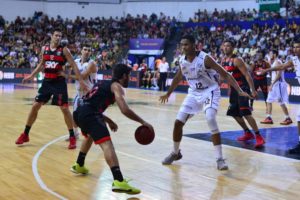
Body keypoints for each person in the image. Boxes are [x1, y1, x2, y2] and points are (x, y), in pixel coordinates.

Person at [159, 35, 251, 170]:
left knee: (210, 118)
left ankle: (220, 159)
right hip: (194, 93)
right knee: (178, 122)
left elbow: (225, 74)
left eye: (186, 45)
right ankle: (175, 152)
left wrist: (238, 89)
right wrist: (168, 93)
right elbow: (178, 77)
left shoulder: (205, 59)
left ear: (194, 45)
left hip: (210, 91)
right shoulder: (182, 60)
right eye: (182, 45)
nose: (183, 47)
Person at [71, 64, 154, 194]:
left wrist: (109, 121)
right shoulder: (117, 87)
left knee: (92, 134)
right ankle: (118, 180)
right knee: (107, 145)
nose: (129, 79)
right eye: (129, 76)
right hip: (89, 113)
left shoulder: (102, 83)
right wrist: (143, 122)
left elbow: (91, 104)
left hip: (79, 112)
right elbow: (124, 110)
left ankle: (79, 164)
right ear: (124, 76)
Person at [15, 28, 86, 149]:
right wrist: (31, 76)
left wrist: (80, 80)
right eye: (56, 35)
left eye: (60, 36)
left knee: (64, 109)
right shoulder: (45, 49)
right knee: (35, 106)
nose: (58, 37)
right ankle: (25, 134)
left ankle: (72, 136)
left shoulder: (64, 50)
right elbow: (41, 64)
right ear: (51, 36)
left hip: (59, 83)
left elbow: (73, 65)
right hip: (47, 82)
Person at [259, 35, 300, 154]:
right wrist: (266, 71)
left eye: (298, 47)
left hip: (279, 85)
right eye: (294, 47)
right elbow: (282, 67)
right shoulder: (294, 60)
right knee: (298, 118)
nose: (295, 49)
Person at [221, 39, 265, 148]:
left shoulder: (237, 60)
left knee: (245, 113)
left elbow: (247, 75)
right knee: (233, 113)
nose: (225, 47)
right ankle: (247, 132)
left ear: (232, 48)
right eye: (224, 46)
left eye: (228, 46)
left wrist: (253, 90)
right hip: (234, 89)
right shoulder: (223, 60)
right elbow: (223, 77)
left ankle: (259, 136)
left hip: (243, 88)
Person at [62, 44, 98, 141]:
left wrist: (66, 75)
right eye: (85, 49)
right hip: (79, 93)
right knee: (74, 115)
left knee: (91, 116)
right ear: (81, 51)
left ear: (90, 52)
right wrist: (65, 68)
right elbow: (66, 65)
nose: (87, 51)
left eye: (89, 50)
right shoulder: (76, 61)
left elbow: (82, 77)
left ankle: (94, 133)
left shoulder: (92, 63)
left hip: (90, 93)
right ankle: (75, 133)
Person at [260, 50, 292, 125]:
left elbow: (278, 75)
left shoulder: (278, 62)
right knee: (269, 100)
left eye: (270, 53)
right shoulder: (273, 62)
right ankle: (269, 118)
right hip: (274, 84)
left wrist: (272, 84)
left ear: (274, 54)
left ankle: (288, 118)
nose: (269, 55)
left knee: (280, 101)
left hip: (279, 84)